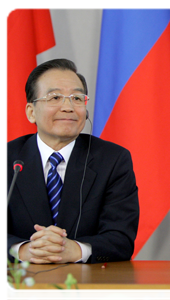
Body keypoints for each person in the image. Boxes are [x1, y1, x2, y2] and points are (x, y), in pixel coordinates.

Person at [5, 58, 139, 264]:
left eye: (77, 98)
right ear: (31, 112)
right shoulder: (7, 159)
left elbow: (121, 239)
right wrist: (23, 250)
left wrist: (76, 250)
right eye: (55, 97)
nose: (68, 107)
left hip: (89, 286)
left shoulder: (112, 160)